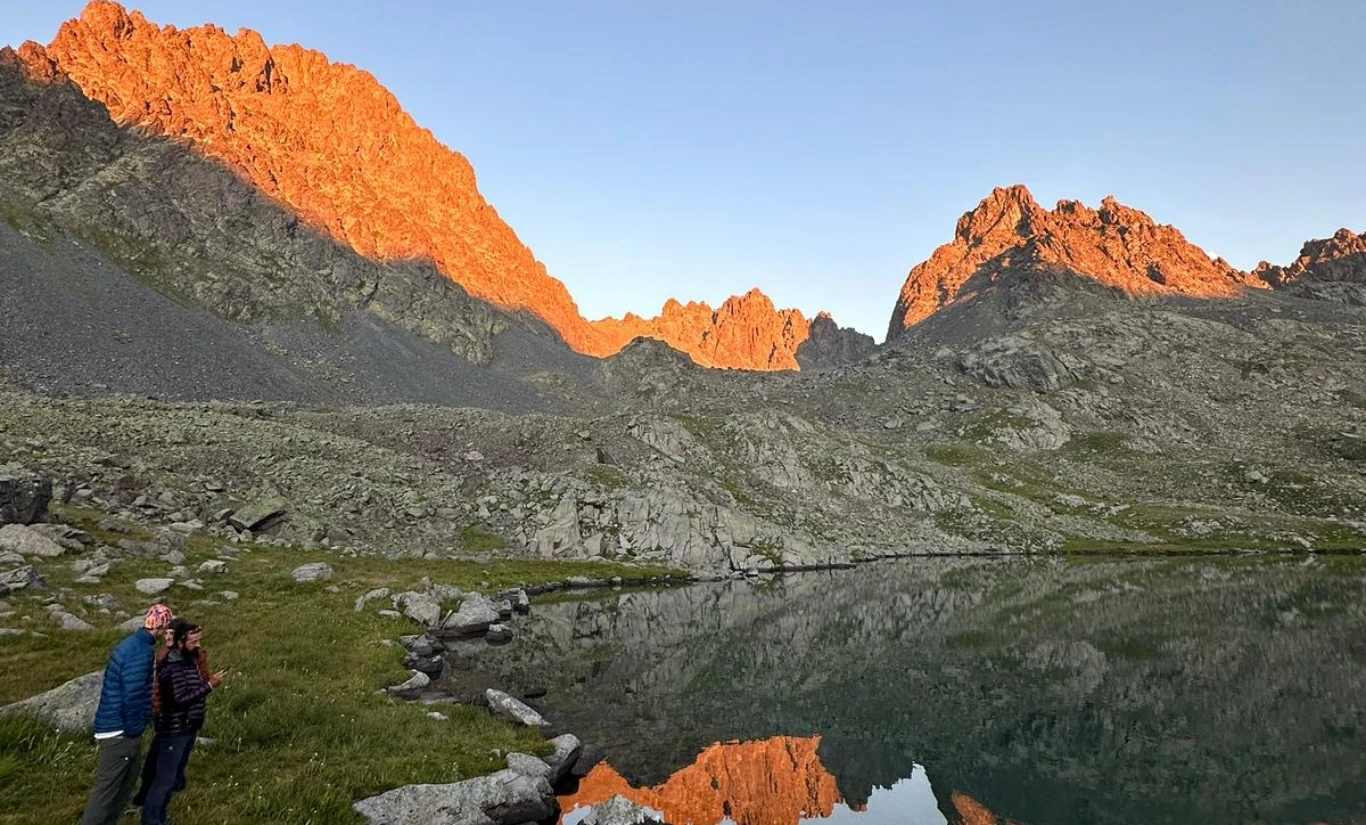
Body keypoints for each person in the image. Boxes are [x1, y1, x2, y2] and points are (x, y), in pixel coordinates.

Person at [81, 603, 175, 825]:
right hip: (120, 732)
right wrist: (135, 730)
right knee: (106, 793)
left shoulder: (133, 644)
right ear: (160, 627)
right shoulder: (141, 652)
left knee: (124, 786)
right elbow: (132, 695)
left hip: (117, 727)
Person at [140, 619, 226, 825]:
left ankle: (157, 816)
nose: (198, 645)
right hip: (174, 730)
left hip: (187, 727)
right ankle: (152, 820)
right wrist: (210, 685)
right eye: (193, 642)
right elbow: (180, 699)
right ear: (180, 642)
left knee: (169, 777)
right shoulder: (172, 666)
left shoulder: (189, 660)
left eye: (199, 641)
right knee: (164, 780)